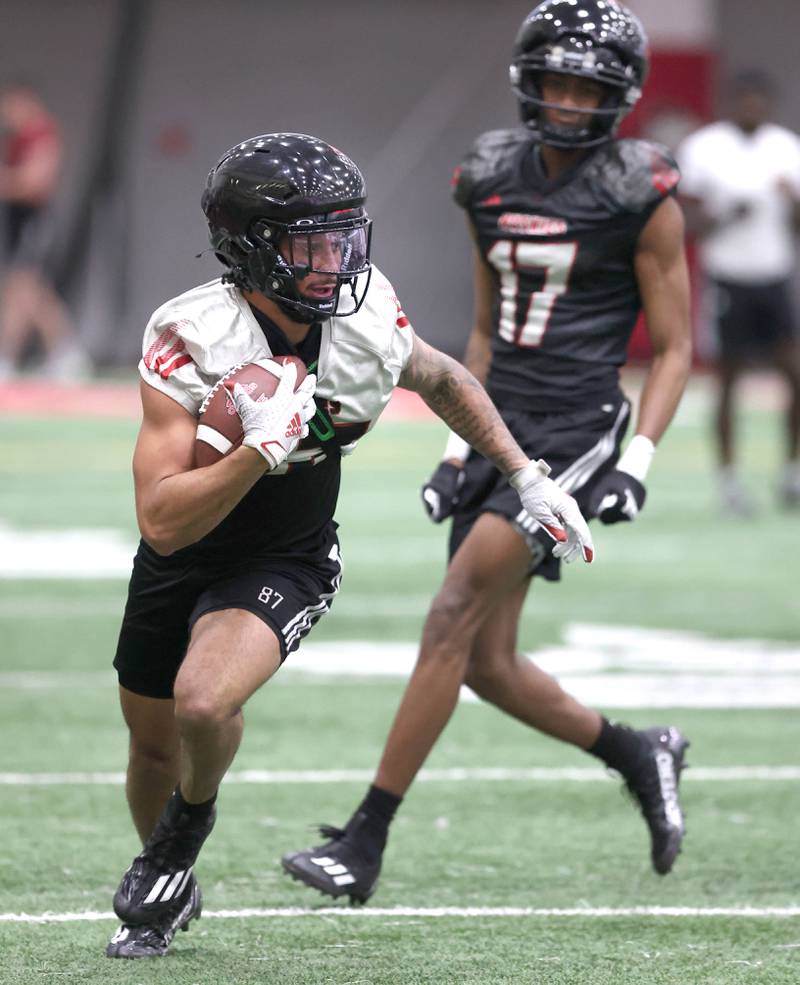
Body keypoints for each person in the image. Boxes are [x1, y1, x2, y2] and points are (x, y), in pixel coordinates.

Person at [105, 131, 593, 959]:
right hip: (186, 546)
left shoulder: (366, 320)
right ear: (250, 249)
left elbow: (442, 378)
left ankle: (176, 843)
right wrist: (258, 451)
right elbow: (162, 520)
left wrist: (526, 476)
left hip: (287, 554)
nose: (336, 260)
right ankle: (172, 850)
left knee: (202, 702)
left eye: (344, 237)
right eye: (311, 242)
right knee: (153, 743)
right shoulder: (189, 332)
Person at [282, 0, 693, 906]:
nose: (570, 98)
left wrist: (640, 459)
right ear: (527, 77)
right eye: (556, 78)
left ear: (618, 93)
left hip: (575, 427)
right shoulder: (490, 173)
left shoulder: (641, 189)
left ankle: (366, 839)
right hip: (499, 418)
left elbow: (673, 349)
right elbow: (481, 331)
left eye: (589, 83)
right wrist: (453, 445)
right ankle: (640, 749)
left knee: (452, 609)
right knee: (486, 662)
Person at [678, 70, 800, 514]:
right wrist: (727, 214)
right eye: (744, 100)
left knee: (794, 373)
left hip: (774, 275)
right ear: (731, 103)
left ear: (768, 104)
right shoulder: (706, 148)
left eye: (759, 100)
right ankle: (729, 479)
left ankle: (791, 472)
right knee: (729, 379)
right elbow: (685, 223)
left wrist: (793, 203)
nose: (752, 107)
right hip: (728, 277)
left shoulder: (786, 149)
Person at [0, 82, 86, 379]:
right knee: (32, 291)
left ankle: (7, 358)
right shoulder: (17, 139)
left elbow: (34, 183)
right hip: (19, 221)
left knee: (21, 288)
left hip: (34, 220)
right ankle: (66, 353)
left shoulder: (41, 134)